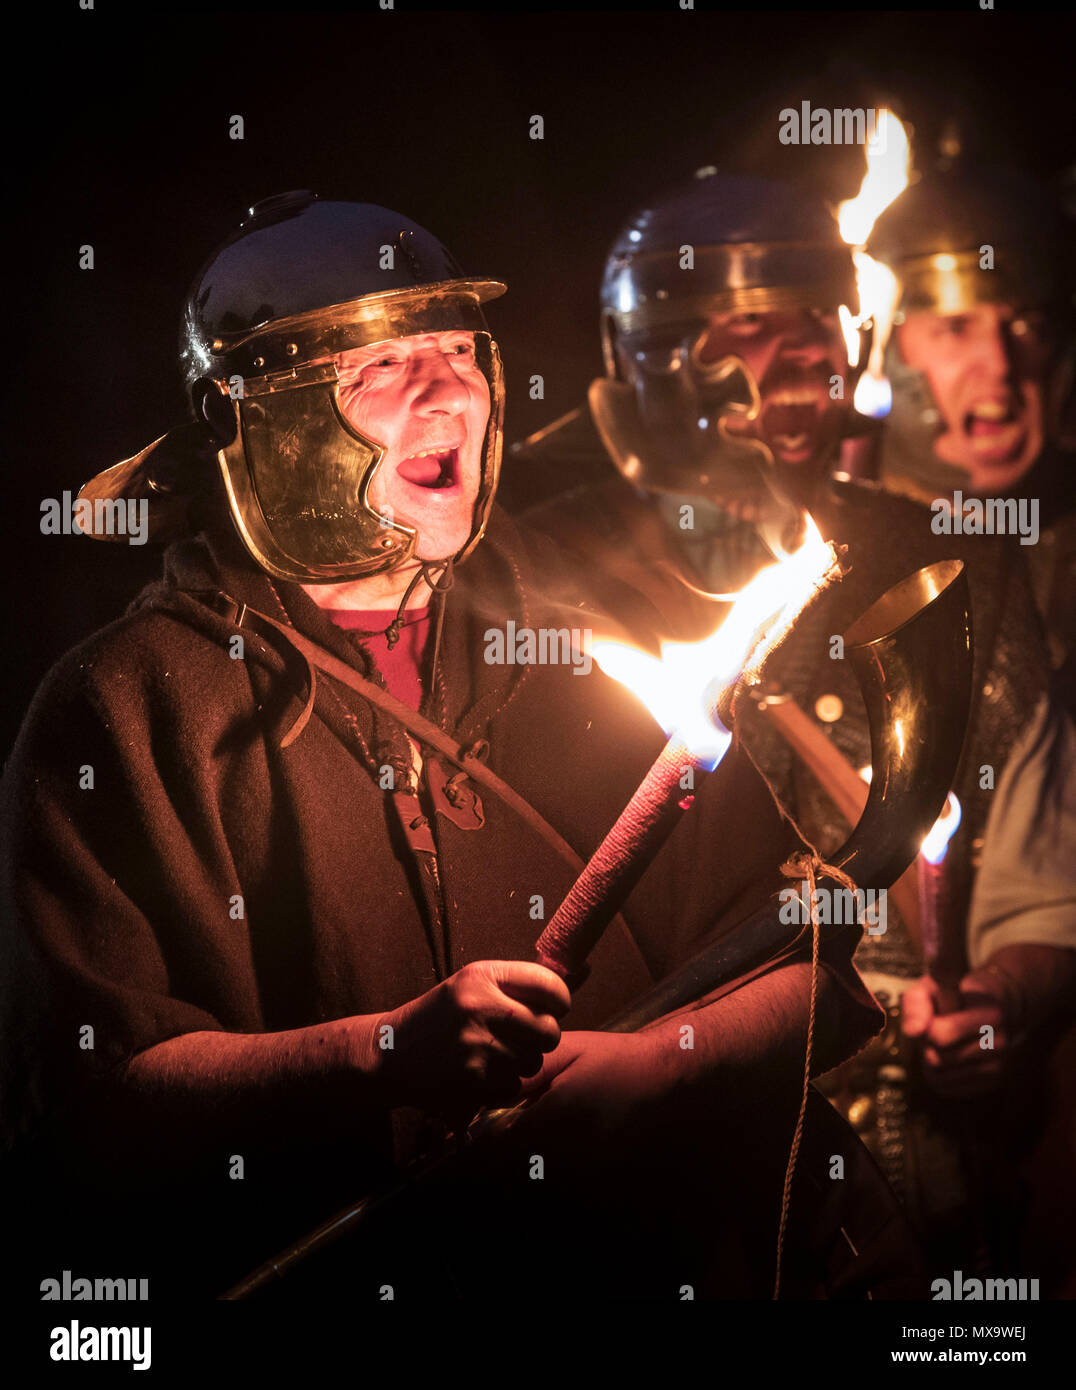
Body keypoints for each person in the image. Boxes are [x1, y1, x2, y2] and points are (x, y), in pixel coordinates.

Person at [0, 191, 887, 1302]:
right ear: (250, 422)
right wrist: (381, 1056)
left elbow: (806, 962)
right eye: (375, 368)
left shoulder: (578, 648)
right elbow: (96, 1097)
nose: (445, 392)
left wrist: (649, 1069)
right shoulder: (126, 708)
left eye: (456, 352)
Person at [513, 168, 1076, 1277]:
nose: (793, 368)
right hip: (664, 1180)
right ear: (657, 357)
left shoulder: (950, 559)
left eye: (813, 331)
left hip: (929, 1182)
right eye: (747, 336)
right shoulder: (533, 577)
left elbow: (1040, 881)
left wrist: (997, 1005)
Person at [867, 161, 1076, 687]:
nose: (1001, 363)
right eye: (955, 327)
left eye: (1027, 325)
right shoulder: (810, 558)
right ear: (886, 352)